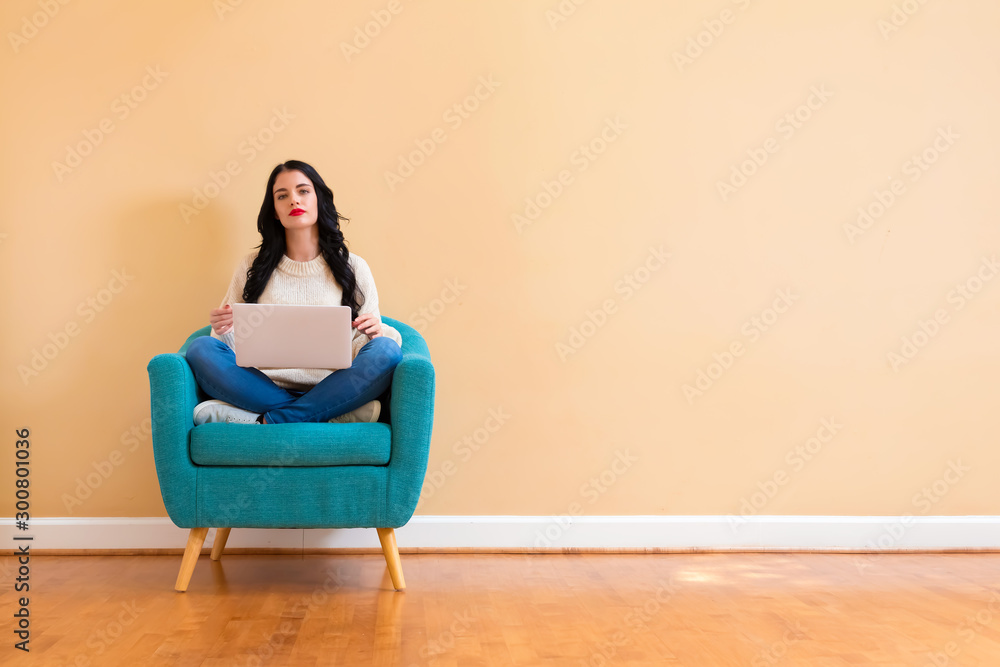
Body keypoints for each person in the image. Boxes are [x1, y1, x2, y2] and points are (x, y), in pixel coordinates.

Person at [186, 160, 403, 425]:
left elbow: (372, 347)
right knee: (201, 348)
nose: (293, 201)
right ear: (275, 211)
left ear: (318, 200)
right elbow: (225, 349)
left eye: (303, 191)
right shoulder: (250, 266)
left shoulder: (353, 267)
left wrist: (376, 331)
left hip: (333, 387)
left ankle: (269, 420)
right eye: (282, 196)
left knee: (387, 350)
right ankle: (325, 414)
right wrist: (225, 330)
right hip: (261, 388)